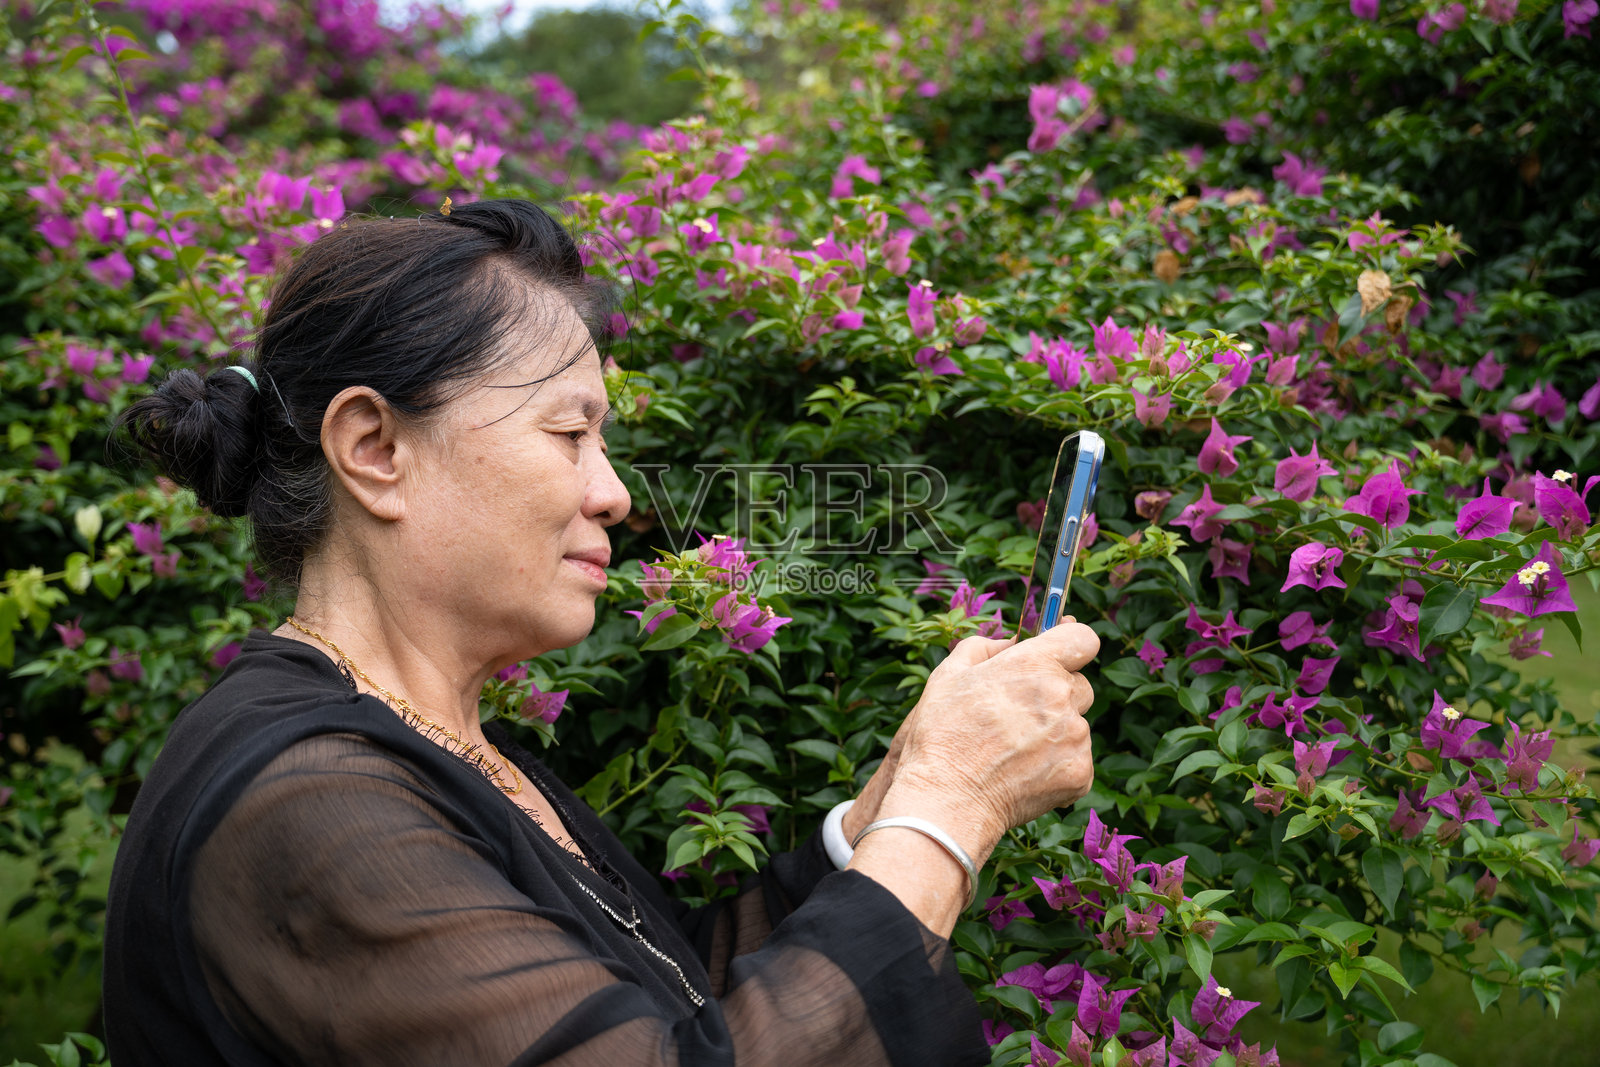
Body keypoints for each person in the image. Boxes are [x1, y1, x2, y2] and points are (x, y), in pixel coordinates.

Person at [104, 199, 1099, 1066]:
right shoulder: (308, 799)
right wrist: (947, 808)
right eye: (568, 433)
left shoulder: (433, 742)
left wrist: (883, 814)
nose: (615, 493)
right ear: (375, 447)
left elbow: (654, 995)